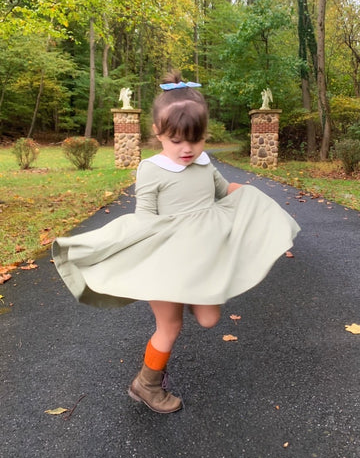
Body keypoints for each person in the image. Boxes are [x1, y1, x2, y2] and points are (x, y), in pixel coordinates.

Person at [52, 71, 300, 415]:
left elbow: (222, 191)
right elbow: (145, 218)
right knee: (170, 326)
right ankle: (146, 385)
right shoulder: (151, 169)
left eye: (195, 140)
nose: (187, 149)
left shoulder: (203, 162)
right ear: (158, 133)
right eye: (177, 140)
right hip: (166, 261)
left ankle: (182, 299)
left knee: (210, 319)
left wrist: (256, 200)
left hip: (201, 259)